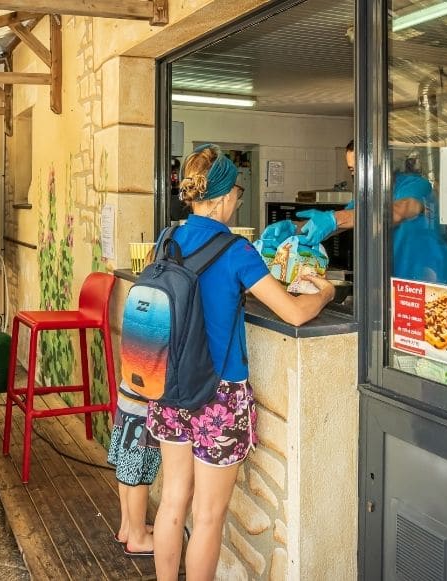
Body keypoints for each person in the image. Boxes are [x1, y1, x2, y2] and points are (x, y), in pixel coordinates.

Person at [147, 144, 334, 581]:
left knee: (173, 501)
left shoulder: (166, 239)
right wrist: (322, 292)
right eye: (236, 191)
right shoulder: (236, 251)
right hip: (219, 395)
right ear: (222, 195)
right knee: (208, 518)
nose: (238, 199)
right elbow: (293, 312)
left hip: (170, 386)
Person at [265, 140, 447, 285]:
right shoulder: (367, 196)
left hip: (432, 282)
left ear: (383, 163)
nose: (356, 176)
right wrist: (294, 230)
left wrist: (334, 219)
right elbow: (345, 221)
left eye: (361, 169)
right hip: (395, 286)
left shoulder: (415, 185)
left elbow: (399, 211)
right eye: (352, 170)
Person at [107, 381, 160, 557]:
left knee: (128, 470)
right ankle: (138, 538)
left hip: (128, 398)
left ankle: (127, 528)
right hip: (143, 407)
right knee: (139, 477)